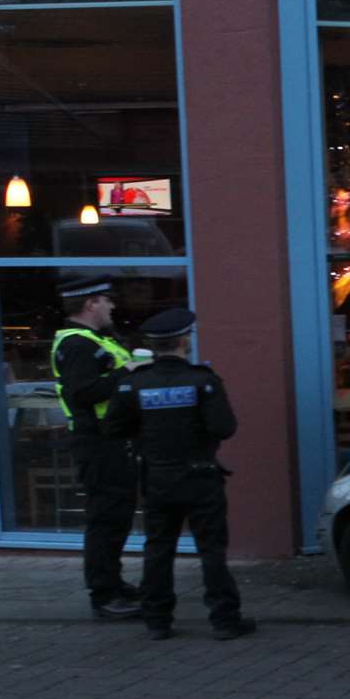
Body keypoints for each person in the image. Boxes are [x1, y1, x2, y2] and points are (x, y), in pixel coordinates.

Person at [102, 308, 255, 641]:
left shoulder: (134, 384)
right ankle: (224, 620)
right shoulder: (203, 381)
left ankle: (157, 620)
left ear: (153, 347)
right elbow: (224, 428)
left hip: (157, 477)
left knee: (158, 548)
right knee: (211, 549)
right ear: (184, 341)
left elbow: (114, 428)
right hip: (200, 476)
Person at [51, 274, 142, 620]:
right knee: (106, 519)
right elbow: (83, 393)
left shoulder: (93, 340)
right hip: (99, 442)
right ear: (91, 304)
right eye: (107, 300)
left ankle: (114, 583)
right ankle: (104, 595)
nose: (112, 306)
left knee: (116, 518)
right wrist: (128, 372)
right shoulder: (78, 345)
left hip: (112, 440)